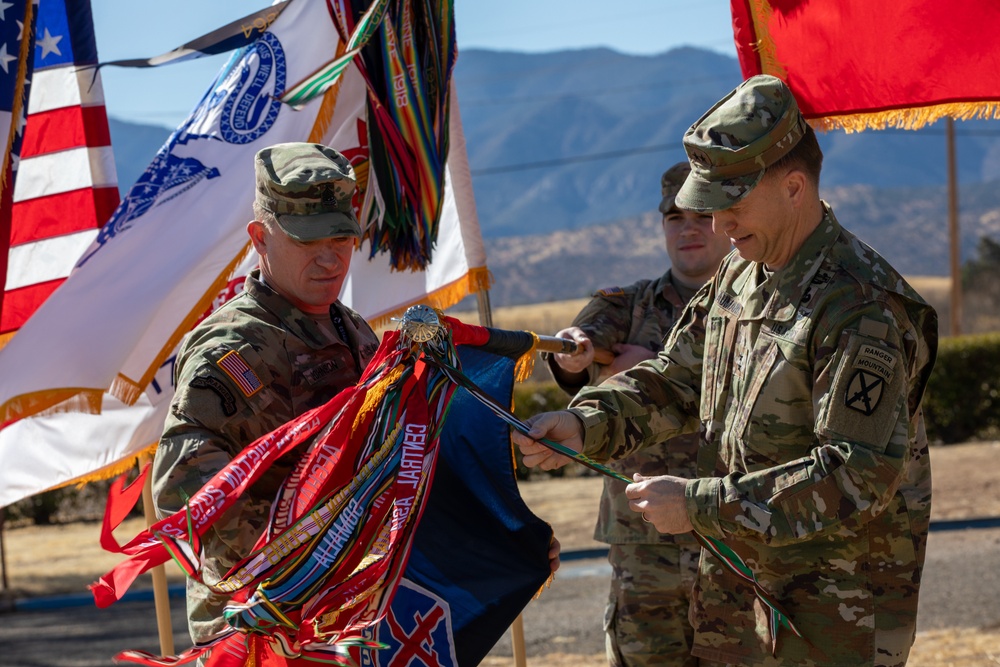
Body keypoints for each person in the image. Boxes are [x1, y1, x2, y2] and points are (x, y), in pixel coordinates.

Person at [515, 75, 938, 667]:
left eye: (731, 205)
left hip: (829, 617)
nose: (717, 227)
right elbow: (676, 379)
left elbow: (857, 475)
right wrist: (586, 424)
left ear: (794, 187)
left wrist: (700, 505)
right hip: (739, 606)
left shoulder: (860, 307)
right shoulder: (740, 278)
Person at [151, 142, 381, 645]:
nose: (330, 258)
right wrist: (312, 558)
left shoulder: (356, 331)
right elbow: (184, 486)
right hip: (260, 628)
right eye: (306, 241)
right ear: (260, 237)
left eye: (341, 238)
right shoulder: (234, 347)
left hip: (347, 617)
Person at [547, 162, 731, 667]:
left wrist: (648, 368)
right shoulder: (628, 305)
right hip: (643, 539)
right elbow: (577, 344)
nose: (688, 228)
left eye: (701, 214)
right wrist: (574, 357)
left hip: (733, 527)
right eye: (674, 217)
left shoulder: (757, 302)